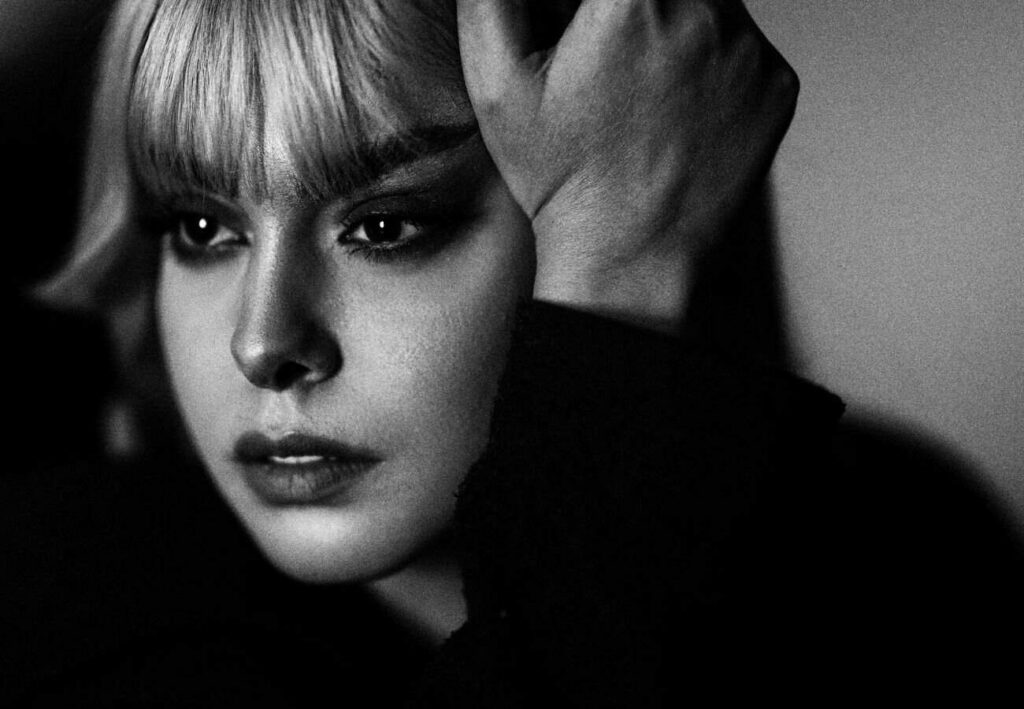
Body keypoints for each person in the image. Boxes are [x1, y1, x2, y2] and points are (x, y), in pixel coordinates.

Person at [5, 0, 1022, 705]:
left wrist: (618, 267)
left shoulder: (909, 549)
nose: (263, 342)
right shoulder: (75, 602)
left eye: (385, 226)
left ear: (652, 176)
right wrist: (617, 291)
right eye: (201, 227)